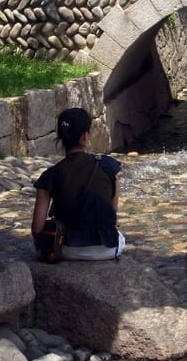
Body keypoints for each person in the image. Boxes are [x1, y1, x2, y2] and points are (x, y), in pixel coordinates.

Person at [31, 107, 125, 260]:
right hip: (107, 248)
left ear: (61, 138)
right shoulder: (109, 166)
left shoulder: (49, 175)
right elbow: (112, 213)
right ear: (85, 137)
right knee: (120, 236)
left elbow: (37, 229)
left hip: (66, 249)